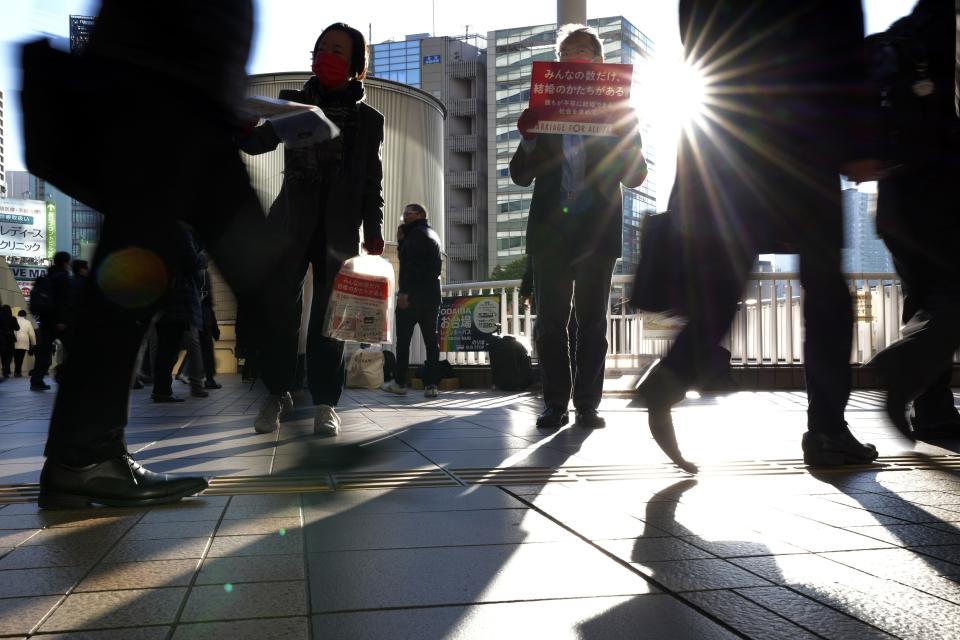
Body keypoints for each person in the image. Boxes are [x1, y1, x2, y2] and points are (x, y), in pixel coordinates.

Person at [21, 0, 286, 508]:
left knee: (157, 260)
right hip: (166, 88)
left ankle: (82, 453)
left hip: (173, 87)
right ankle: (84, 455)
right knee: (158, 261)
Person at [634, 0, 885, 473]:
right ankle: (827, 428)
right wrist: (861, 142)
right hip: (804, 139)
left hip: (727, 136)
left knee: (726, 278)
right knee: (827, 289)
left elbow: (697, 37)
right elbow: (842, 49)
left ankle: (673, 374)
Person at [241, 22, 385, 437]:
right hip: (290, 224)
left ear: (356, 64)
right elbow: (257, 144)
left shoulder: (368, 120)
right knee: (279, 313)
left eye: (339, 51)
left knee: (330, 318)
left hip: (339, 230)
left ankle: (325, 403)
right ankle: (278, 392)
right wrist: (246, 123)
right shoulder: (293, 104)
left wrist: (373, 230)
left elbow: (371, 181)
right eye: (323, 48)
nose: (328, 57)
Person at [510, 24, 648, 430]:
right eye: (568, 51)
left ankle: (588, 404)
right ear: (558, 66)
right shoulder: (543, 114)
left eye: (586, 50)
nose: (577, 56)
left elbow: (635, 176)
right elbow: (520, 175)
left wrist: (622, 131)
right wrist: (531, 136)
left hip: (597, 235)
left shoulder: (621, 113)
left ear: (600, 64)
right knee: (550, 324)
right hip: (551, 238)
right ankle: (555, 403)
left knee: (592, 323)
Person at [867, 0, 960, 439]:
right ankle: (905, 364)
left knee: (924, 298)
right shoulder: (949, 31)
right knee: (948, 300)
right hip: (946, 188)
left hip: (894, 195)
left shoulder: (899, 36)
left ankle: (934, 409)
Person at [380, 203, 442, 397]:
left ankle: (399, 383)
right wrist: (401, 242)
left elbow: (410, 266)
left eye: (409, 213)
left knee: (403, 342)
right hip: (431, 297)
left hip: (413, 297)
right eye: (404, 213)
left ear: (421, 214)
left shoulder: (416, 235)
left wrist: (405, 293)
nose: (405, 216)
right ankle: (432, 385)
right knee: (431, 341)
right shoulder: (431, 234)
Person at [151, 226, 207, 402]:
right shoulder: (181, 232)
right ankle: (162, 390)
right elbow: (192, 262)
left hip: (163, 299)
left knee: (165, 348)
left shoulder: (160, 232)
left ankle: (161, 388)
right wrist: (203, 258)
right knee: (169, 348)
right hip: (177, 301)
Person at [29, 251, 73, 391]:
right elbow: (64, 301)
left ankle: (36, 380)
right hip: (59, 322)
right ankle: (61, 374)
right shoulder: (63, 277)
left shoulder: (48, 275)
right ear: (66, 262)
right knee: (73, 349)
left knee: (44, 351)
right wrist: (62, 320)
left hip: (46, 320)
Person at [13, 309, 37, 378]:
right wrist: (33, 343)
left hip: (15, 341)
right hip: (24, 342)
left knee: (15, 358)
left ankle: (16, 371)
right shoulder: (28, 322)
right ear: (25, 315)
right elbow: (32, 334)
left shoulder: (15, 320)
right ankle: (18, 372)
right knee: (21, 358)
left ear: (18, 314)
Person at [0, 305, 18, 379]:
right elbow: (17, 328)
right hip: (10, 339)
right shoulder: (12, 318)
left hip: (1, 339)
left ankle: (5, 372)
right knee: (9, 356)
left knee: (3, 356)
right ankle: (6, 369)